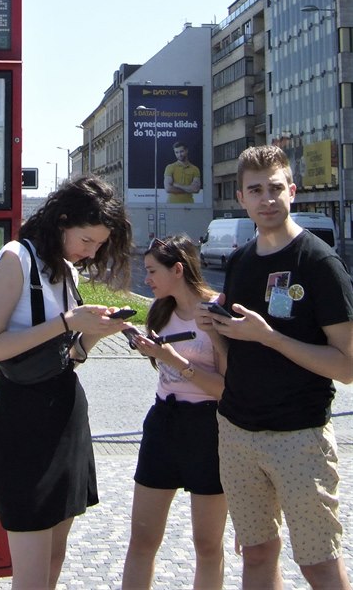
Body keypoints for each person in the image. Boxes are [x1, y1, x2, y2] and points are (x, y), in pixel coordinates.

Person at [201, 145, 353, 590]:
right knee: (257, 555)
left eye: (274, 188)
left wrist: (270, 336)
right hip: (237, 431)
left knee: (318, 562)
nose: (266, 199)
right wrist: (215, 330)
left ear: (293, 191)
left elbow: (347, 367)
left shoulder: (319, 262)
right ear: (242, 199)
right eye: (255, 190)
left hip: (298, 436)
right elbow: (235, 356)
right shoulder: (240, 261)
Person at [0, 175, 133, 590]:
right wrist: (65, 322)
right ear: (62, 221)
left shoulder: (66, 271)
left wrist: (93, 334)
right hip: (24, 421)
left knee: (54, 557)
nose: (90, 252)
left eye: (99, 245)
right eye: (87, 240)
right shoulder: (15, 259)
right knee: (29, 570)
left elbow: (69, 355)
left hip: (65, 414)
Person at [122, 234, 228, 590]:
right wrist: (147, 348)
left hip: (207, 428)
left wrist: (176, 361)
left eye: (152, 271)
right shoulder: (161, 310)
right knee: (142, 539)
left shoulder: (215, 310)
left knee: (208, 545)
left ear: (178, 269)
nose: (147, 277)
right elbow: (163, 365)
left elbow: (227, 390)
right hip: (163, 422)